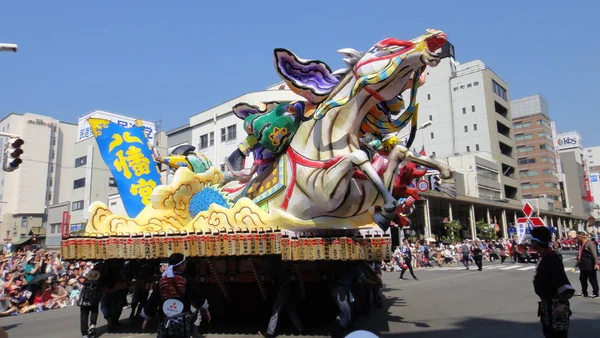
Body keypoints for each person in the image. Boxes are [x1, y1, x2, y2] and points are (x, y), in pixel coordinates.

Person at [142, 253, 211, 338]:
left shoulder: (162, 280)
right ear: (181, 265)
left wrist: (147, 318)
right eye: (184, 263)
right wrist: (205, 310)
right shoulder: (186, 279)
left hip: (165, 319)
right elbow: (197, 296)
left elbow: (153, 300)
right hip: (182, 319)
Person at [528, 226, 574, 338]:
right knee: (549, 333)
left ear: (537, 242)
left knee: (556, 335)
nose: (530, 243)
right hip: (547, 304)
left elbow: (561, 279)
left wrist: (562, 303)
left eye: (532, 241)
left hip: (555, 305)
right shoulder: (544, 256)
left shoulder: (551, 257)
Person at [78, 268, 103, 338]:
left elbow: (82, 292)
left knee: (83, 316)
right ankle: (93, 324)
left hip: (84, 301)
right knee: (94, 312)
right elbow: (100, 293)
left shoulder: (85, 283)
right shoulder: (98, 283)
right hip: (94, 301)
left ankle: (84, 333)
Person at [574, 231, 599, 299]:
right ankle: (584, 292)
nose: (576, 238)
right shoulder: (580, 243)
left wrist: (597, 263)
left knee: (592, 279)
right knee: (582, 279)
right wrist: (577, 262)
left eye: (577, 237)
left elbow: (594, 254)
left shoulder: (589, 243)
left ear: (581, 237)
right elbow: (579, 253)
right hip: (583, 265)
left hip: (590, 264)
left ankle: (595, 293)